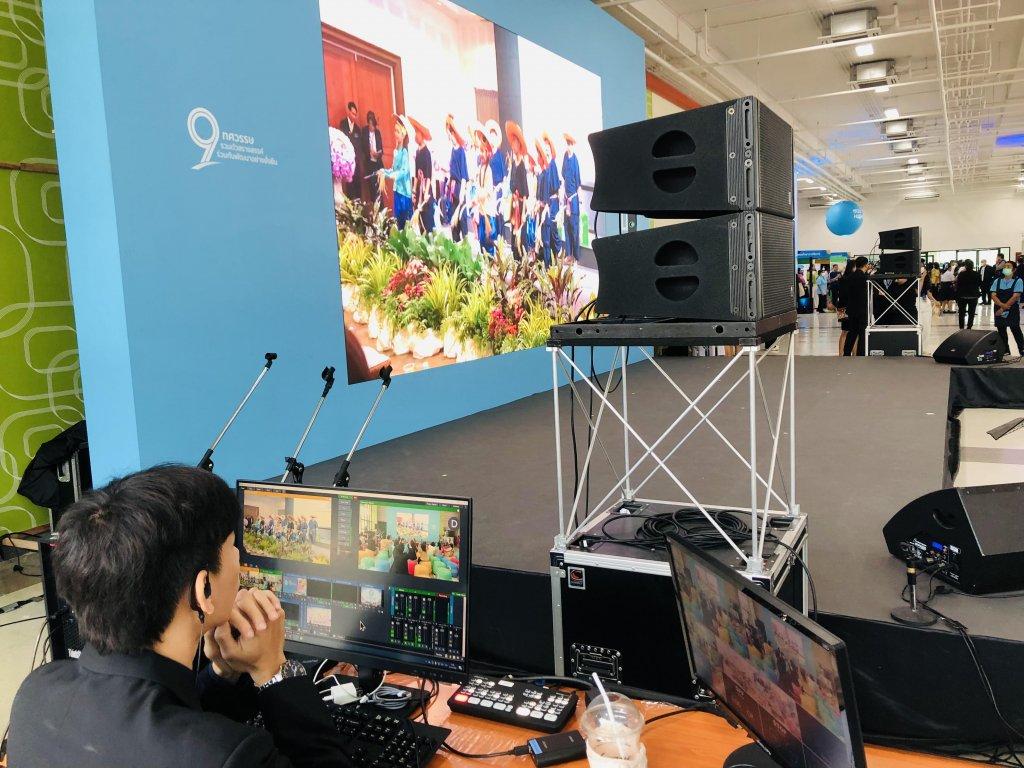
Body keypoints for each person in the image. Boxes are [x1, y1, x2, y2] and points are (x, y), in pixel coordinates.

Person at [8, 466, 352, 768]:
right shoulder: (228, 755)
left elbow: (157, 719)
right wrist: (274, 671)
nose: (240, 560)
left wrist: (222, 674)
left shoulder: (36, 693)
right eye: (233, 547)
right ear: (204, 589)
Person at [378, 115, 413, 230]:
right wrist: (383, 171)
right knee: (398, 221)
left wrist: (390, 175)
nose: (395, 134)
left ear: (403, 134)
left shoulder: (405, 152)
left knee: (406, 222)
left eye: (398, 131)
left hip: (404, 192)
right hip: (397, 190)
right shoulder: (396, 151)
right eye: (395, 131)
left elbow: (403, 172)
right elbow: (393, 170)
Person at [991, 264, 1024, 358]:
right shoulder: (997, 281)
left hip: (1012, 308)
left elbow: (1016, 296)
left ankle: (1022, 349)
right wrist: (1001, 305)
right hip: (998, 307)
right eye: (1005, 267)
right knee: (1001, 329)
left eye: (1009, 267)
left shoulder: (1018, 281)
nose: (1006, 268)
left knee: (1015, 328)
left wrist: (1003, 308)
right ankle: (1005, 350)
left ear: (1014, 270)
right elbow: (993, 295)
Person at [839, 256, 870, 356]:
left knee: (852, 332)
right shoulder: (865, 278)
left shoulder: (850, 277)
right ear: (865, 265)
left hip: (851, 309)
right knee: (862, 333)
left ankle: (847, 352)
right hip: (862, 309)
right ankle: (860, 353)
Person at [561, 133, 582, 262]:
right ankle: (569, 254)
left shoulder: (575, 160)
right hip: (565, 198)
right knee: (566, 226)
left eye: (570, 144)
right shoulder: (565, 157)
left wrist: (579, 200)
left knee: (574, 229)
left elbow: (578, 183)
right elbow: (563, 175)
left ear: (573, 145)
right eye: (567, 144)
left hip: (573, 200)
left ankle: (576, 257)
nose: (568, 146)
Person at [340, 101, 364, 201]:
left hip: (356, 162)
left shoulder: (357, 129)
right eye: (353, 113)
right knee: (350, 187)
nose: (354, 116)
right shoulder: (343, 124)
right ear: (348, 112)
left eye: (355, 114)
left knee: (358, 185)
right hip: (347, 162)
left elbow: (360, 146)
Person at [363, 111, 384, 202]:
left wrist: (378, 153)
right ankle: (374, 208)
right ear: (368, 123)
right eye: (371, 125)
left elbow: (381, 149)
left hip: (378, 164)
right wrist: (369, 152)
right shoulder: (364, 131)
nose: (373, 128)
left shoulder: (378, 132)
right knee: (372, 190)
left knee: (380, 189)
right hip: (369, 165)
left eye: (374, 125)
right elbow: (362, 147)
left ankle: (381, 208)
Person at [955, 261, 981, 330]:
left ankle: (961, 327)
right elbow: (979, 284)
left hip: (962, 296)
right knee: (971, 313)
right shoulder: (977, 274)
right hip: (973, 296)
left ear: (965, 266)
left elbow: (958, 284)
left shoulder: (961, 274)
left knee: (961, 312)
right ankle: (969, 327)